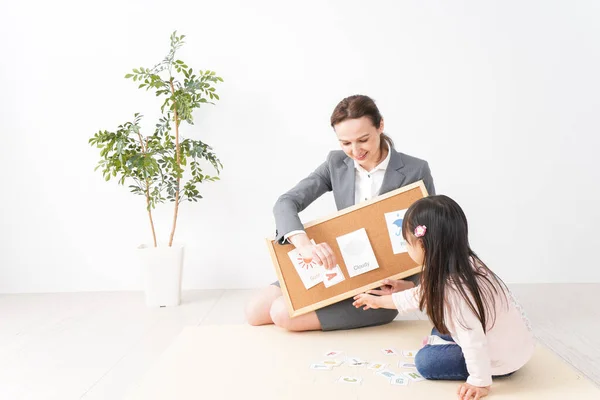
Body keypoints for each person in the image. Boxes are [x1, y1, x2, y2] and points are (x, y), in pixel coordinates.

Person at [245, 94, 436, 332]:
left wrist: (410, 286)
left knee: (281, 313)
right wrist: (304, 246)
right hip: (338, 267)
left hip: (381, 285)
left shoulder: (415, 170)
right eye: (345, 143)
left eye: (363, 139)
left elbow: (432, 235)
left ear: (381, 126)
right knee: (254, 311)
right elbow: (286, 202)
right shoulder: (336, 163)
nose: (355, 151)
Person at [353, 195, 534, 400]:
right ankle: (442, 341)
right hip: (511, 343)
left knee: (426, 361)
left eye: (407, 243)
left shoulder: (454, 291)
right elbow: (420, 295)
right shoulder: (466, 263)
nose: (406, 248)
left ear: (422, 245)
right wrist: (378, 300)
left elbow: (473, 340)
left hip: (501, 360)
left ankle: (447, 350)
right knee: (442, 324)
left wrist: (479, 382)